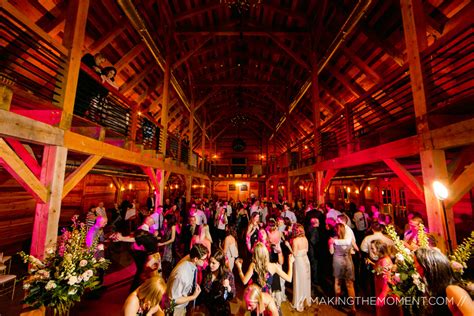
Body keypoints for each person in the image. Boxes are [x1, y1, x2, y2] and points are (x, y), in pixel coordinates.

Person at [414, 247, 474, 315]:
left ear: (429, 265)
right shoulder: (435, 293)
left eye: (416, 263)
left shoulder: (452, 289)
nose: (415, 267)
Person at [113, 216, 158, 292]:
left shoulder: (144, 231)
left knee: (144, 272)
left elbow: (133, 237)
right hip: (145, 254)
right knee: (146, 273)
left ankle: (139, 289)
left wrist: (122, 238)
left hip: (146, 254)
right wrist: (122, 238)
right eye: (152, 222)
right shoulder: (143, 231)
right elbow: (134, 238)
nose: (153, 223)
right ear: (148, 222)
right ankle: (141, 290)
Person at [166, 244, 209, 316]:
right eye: (204, 259)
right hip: (176, 310)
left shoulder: (191, 262)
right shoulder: (182, 275)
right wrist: (193, 297)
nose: (205, 261)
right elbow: (173, 300)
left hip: (182, 306)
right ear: (196, 259)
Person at [329, 223, 357, 314]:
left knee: (338, 282)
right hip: (348, 262)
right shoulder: (350, 240)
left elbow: (331, 252)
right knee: (350, 285)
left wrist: (330, 244)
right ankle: (353, 307)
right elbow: (356, 249)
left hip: (337, 262)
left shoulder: (332, 240)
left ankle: (337, 301)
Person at [201, 250, 236, 315]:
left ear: (220, 263)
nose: (210, 265)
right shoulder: (207, 270)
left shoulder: (228, 275)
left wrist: (228, 287)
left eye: (213, 263)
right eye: (210, 262)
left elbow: (232, 295)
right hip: (208, 309)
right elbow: (203, 290)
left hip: (221, 311)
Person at [291, 224, 312, 312]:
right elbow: (306, 250)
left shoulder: (295, 240)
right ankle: (305, 300)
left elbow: (295, 254)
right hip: (306, 260)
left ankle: (299, 301)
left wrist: (289, 246)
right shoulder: (305, 239)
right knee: (306, 281)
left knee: (299, 280)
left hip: (299, 261)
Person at [158, 214, 177, 279]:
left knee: (168, 262)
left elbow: (172, 239)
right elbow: (164, 236)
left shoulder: (173, 226)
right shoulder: (166, 225)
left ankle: (168, 277)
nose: (164, 220)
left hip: (170, 246)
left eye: (166, 219)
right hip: (165, 245)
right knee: (163, 262)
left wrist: (163, 244)